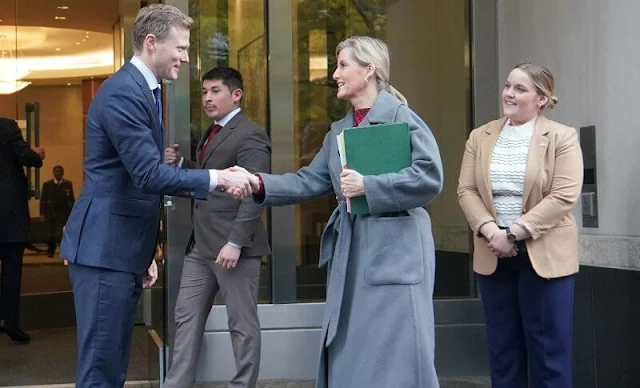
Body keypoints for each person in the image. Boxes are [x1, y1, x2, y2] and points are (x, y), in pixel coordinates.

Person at [59, 5, 252, 387]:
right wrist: (217, 178)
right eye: (179, 48)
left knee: (111, 365)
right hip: (104, 253)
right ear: (151, 43)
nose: (185, 57)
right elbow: (147, 175)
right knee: (101, 370)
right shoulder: (124, 93)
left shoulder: (144, 90)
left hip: (119, 252)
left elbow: (130, 176)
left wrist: (143, 253)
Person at [236, 36, 443, 387]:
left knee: (399, 352)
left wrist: (370, 187)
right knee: (353, 347)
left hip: (397, 253)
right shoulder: (339, 133)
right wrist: (257, 183)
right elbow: (307, 182)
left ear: (369, 69)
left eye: (343, 65)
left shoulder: (402, 118)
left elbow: (429, 177)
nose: (335, 74)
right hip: (353, 250)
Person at [457, 63, 583, 388]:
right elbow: (466, 190)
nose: (509, 94)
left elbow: (564, 195)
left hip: (545, 256)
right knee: (503, 354)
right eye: (508, 86)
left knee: (548, 357)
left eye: (520, 89)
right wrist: (491, 232)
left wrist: (513, 233)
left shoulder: (561, 137)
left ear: (541, 99)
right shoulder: (479, 136)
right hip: (492, 253)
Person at [163, 67, 271, 388]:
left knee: (241, 325)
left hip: (234, 248)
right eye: (205, 92)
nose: (207, 98)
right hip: (201, 246)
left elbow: (254, 190)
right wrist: (183, 167)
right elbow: (215, 177)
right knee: (186, 319)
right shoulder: (212, 132)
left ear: (236, 95)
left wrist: (236, 242)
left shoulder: (250, 133)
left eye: (215, 91)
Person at [0, 117, 45, 344]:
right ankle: (8, 320)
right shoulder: (6, 126)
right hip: (7, 213)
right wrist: (38, 154)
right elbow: (25, 157)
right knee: (11, 267)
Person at [40, 165, 75, 257]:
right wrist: (42, 213)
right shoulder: (47, 185)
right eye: (57, 171)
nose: (58, 173)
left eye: (60, 171)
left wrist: (73, 212)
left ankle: (65, 252)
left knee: (64, 233)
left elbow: (71, 199)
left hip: (64, 213)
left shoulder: (68, 184)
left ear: (63, 173)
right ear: (53, 173)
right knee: (51, 233)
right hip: (51, 213)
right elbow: (43, 199)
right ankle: (51, 251)